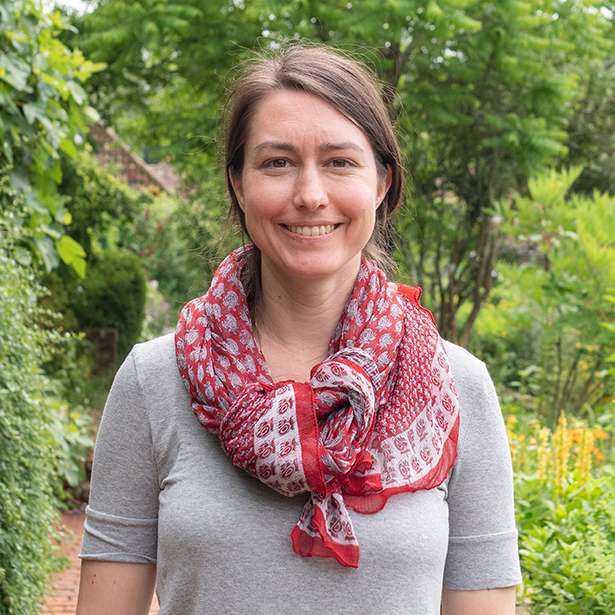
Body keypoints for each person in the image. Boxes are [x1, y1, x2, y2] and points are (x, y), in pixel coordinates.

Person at [76, 42, 522, 615]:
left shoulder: (455, 387)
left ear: (381, 184)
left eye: (339, 161)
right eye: (277, 162)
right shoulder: (154, 381)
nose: (310, 195)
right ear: (238, 184)